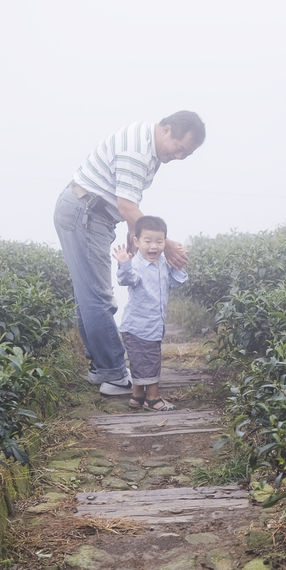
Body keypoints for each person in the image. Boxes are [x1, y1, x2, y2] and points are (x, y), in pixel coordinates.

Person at [53, 112, 204, 396]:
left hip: (87, 210)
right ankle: (114, 374)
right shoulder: (138, 152)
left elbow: (125, 199)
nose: (179, 157)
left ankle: (101, 368)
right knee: (97, 296)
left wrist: (132, 230)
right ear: (167, 130)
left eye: (186, 154)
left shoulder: (148, 143)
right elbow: (126, 206)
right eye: (180, 148)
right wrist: (166, 244)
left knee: (88, 295)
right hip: (86, 214)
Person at [112, 215, 187, 410]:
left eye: (159, 241)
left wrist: (178, 266)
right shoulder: (136, 264)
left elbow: (173, 282)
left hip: (152, 326)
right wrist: (124, 263)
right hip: (139, 326)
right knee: (150, 361)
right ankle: (152, 399)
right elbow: (126, 279)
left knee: (141, 361)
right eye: (148, 241)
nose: (153, 246)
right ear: (137, 241)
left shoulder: (162, 263)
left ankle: (137, 397)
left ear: (165, 242)